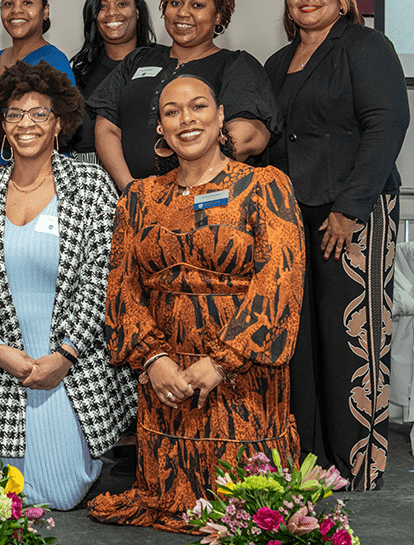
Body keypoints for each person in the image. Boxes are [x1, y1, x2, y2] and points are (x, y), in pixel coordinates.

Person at [88, 75, 305, 532]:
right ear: (161, 130)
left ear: (221, 116)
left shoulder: (266, 185)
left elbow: (279, 282)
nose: (186, 119)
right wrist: (153, 359)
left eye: (198, 106)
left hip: (244, 380)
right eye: (172, 111)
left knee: (249, 512)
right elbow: (121, 287)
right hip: (167, 382)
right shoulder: (140, 199)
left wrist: (223, 363)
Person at [0, 61, 135, 511]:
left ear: (58, 125)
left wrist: (64, 355)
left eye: (39, 113)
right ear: (3, 126)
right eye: (15, 114)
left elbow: (102, 277)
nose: (25, 123)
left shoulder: (90, 186)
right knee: (0, 496)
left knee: (63, 494)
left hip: (71, 367)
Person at [263, 0, 409, 491]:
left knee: (352, 337)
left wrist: (350, 208)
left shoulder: (366, 48)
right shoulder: (278, 63)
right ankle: (310, 459)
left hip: (353, 212)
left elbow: (386, 124)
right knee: (301, 340)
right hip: (291, 218)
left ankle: (358, 467)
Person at [90, 0, 279, 191]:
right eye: (175, 3)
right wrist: (131, 189)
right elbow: (106, 127)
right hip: (133, 199)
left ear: (218, 15)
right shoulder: (138, 59)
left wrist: (188, 184)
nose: (182, 12)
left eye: (197, 5)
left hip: (205, 199)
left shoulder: (235, 65)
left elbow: (249, 136)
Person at [67, 0, 157, 163]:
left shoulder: (160, 62)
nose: (112, 13)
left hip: (150, 169)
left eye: (122, 4)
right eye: (102, 6)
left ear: (138, 11)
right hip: (90, 175)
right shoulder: (79, 74)